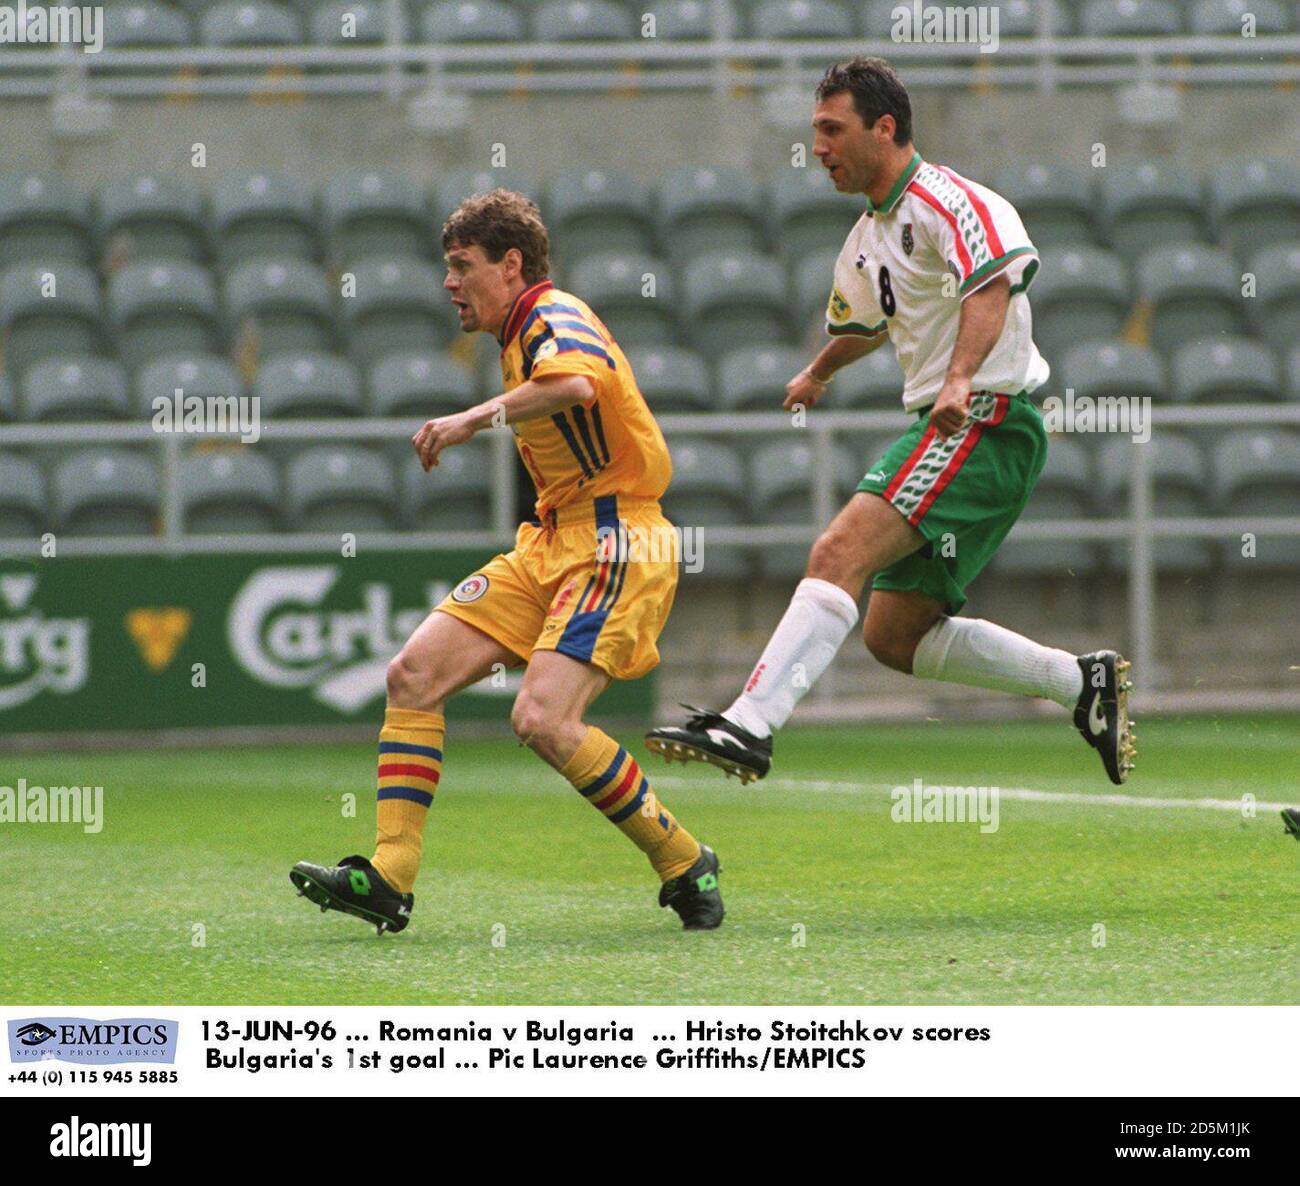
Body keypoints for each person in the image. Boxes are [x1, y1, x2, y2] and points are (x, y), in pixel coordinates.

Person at [647, 57, 1135, 787]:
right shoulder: (869, 236)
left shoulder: (950, 200)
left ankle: (748, 725)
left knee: (837, 550)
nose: (818, 147)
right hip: (965, 427)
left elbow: (991, 284)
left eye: (831, 129)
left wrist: (961, 378)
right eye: (816, 131)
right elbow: (870, 323)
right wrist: (820, 370)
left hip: (983, 422)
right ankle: (1079, 682)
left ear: (884, 127)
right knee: (894, 633)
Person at [292, 188, 723, 934]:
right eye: (447, 267)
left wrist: (472, 418)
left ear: (511, 264)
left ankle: (684, 858)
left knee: (542, 718)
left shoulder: (553, 314)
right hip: (554, 540)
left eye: (463, 266)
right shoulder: (519, 335)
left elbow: (577, 384)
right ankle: (388, 877)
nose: (449, 283)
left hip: (619, 538)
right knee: (414, 675)